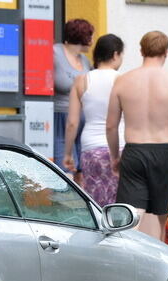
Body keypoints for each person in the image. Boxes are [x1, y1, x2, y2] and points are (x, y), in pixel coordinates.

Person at [106, 30, 168, 240]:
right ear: (166, 52)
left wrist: (115, 157)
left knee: (130, 219)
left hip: (134, 152)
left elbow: (111, 125)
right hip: (165, 152)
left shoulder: (122, 82)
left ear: (141, 50)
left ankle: (130, 264)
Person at [63, 34, 125, 207]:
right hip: (120, 147)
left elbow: (72, 122)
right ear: (115, 54)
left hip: (91, 149)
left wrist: (68, 153)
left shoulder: (81, 80)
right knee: (120, 204)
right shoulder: (123, 80)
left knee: (95, 203)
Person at [53, 19, 93, 182]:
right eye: (90, 35)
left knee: (80, 172)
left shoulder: (85, 61)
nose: (92, 41)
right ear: (81, 36)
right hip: (61, 118)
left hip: (81, 121)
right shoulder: (55, 53)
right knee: (64, 170)